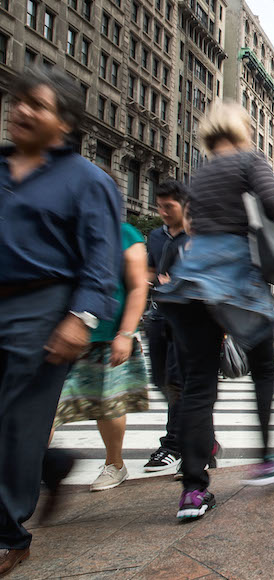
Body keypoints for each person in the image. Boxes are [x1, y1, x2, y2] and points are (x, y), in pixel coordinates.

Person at [0, 67, 121, 576]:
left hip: (43, 308)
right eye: (19, 100)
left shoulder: (88, 181)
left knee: (16, 422)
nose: (22, 111)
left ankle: (8, 535)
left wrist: (81, 317)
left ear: (65, 122)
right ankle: (50, 466)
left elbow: (102, 260)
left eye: (38, 105)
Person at [154, 102, 274, 520]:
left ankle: (193, 492)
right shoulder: (251, 160)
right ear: (241, 131)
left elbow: (195, 226)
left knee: (198, 386)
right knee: (263, 371)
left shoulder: (200, 173)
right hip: (238, 285)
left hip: (191, 285)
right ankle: (269, 460)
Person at [52, 222, 149, 492]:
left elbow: (138, 285)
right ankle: (28, 467)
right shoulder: (58, 227)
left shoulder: (124, 233)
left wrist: (126, 334)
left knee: (109, 404)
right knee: (42, 407)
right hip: (53, 331)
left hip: (105, 332)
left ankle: (114, 464)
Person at [143, 181, 189, 474]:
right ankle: (203, 440)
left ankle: (174, 444)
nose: (162, 212)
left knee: (178, 382)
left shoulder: (196, 238)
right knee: (162, 380)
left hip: (186, 321)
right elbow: (149, 270)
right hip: (157, 316)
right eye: (159, 206)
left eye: (168, 206)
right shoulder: (155, 237)